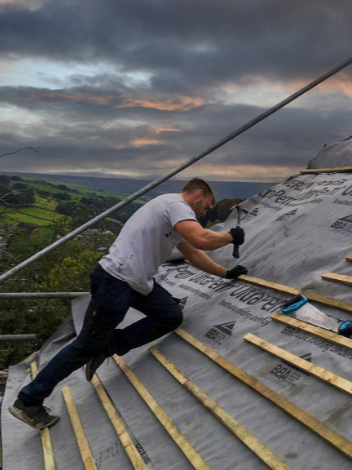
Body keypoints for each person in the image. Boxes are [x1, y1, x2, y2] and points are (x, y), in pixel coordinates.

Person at [9, 178, 247, 429]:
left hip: (137, 281)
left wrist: (225, 273)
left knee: (170, 315)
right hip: (116, 280)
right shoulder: (176, 205)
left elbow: (194, 253)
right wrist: (230, 236)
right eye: (207, 206)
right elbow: (201, 240)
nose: (206, 212)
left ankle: (106, 346)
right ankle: (28, 401)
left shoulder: (171, 215)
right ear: (198, 195)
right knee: (83, 346)